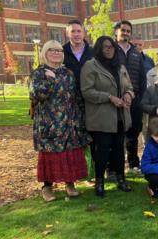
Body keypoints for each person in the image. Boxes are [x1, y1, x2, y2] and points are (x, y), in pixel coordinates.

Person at [30, 40, 90, 202]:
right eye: (52, 50)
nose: (56, 53)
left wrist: (81, 119)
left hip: (69, 122)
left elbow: (76, 97)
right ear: (45, 53)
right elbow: (36, 95)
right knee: (50, 155)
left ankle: (70, 184)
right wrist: (50, 80)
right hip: (49, 122)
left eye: (59, 50)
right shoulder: (39, 73)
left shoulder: (68, 73)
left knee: (69, 153)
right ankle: (47, 187)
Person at [81, 36, 135, 197]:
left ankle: (121, 179)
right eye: (105, 47)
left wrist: (128, 95)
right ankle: (99, 182)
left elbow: (130, 86)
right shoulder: (90, 66)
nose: (109, 49)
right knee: (102, 151)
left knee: (119, 150)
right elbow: (87, 91)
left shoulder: (120, 67)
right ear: (99, 48)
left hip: (120, 116)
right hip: (102, 117)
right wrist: (109, 97)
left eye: (111, 46)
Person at [62, 19, 95, 181]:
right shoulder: (61, 52)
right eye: (73, 31)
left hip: (91, 101)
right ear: (67, 33)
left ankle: (92, 173)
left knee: (92, 136)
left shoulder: (93, 52)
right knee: (73, 138)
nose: (76, 34)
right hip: (69, 103)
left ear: (84, 33)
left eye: (78, 31)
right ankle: (74, 174)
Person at [114, 20, 147, 174]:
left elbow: (142, 76)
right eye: (123, 30)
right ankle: (115, 166)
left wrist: (139, 97)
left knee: (134, 132)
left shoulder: (135, 52)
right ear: (116, 32)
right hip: (116, 100)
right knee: (117, 133)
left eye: (128, 31)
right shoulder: (111, 49)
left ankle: (133, 163)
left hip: (135, 99)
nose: (126, 33)